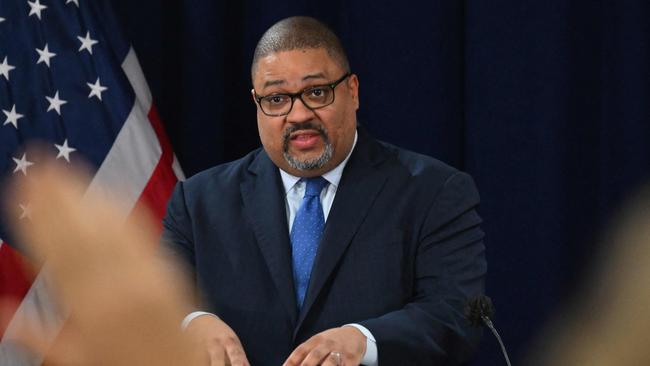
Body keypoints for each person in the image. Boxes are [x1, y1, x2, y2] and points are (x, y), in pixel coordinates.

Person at [162, 16, 487, 366]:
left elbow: (454, 315)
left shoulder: (434, 192)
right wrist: (191, 322)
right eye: (276, 99)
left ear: (353, 91)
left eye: (317, 92)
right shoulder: (198, 202)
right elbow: (143, 299)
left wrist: (362, 340)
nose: (298, 114)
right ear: (256, 103)